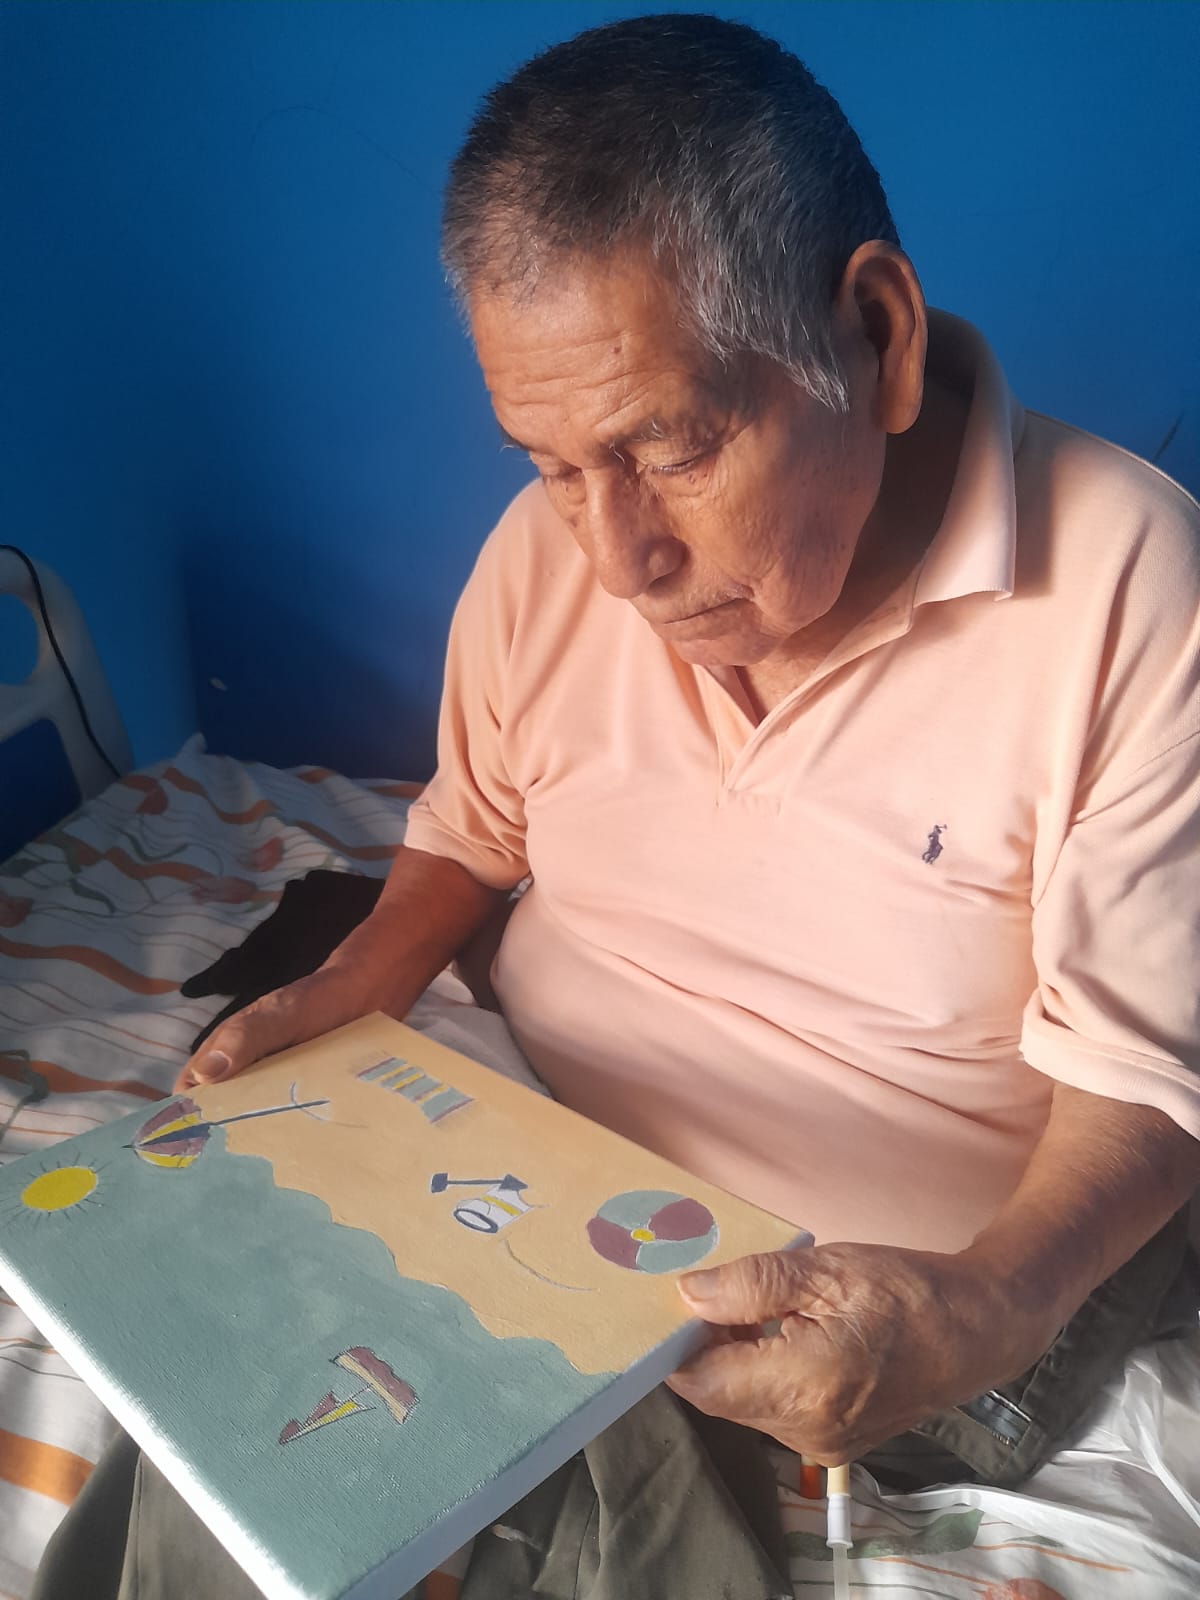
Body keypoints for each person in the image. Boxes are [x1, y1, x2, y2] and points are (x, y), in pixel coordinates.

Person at [34, 12, 1200, 1598]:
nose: (616, 557)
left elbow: (1147, 1078)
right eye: (549, 464)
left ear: (876, 335)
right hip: (513, 1159)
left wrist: (989, 1307)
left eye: (674, 448)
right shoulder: (549, 554)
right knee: (235, 1422)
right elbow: (471, 830)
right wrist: (359, 982)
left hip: (868, 1257)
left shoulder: (1133, 593)